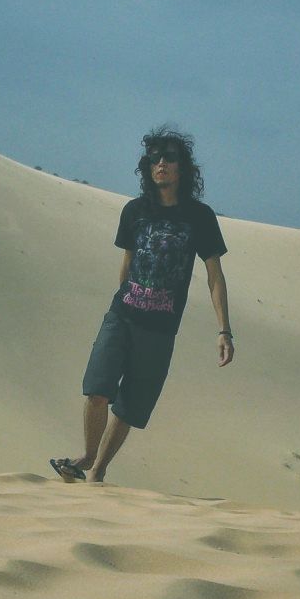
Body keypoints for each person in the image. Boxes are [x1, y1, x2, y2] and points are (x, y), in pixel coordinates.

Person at [51, 126, 234, 483]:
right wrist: (122, 303)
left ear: (183, 167)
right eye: (154, 158)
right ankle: (88, 455)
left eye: (169, 157)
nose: (161, 163)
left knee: (130, 406)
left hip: (161, 329)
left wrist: (224, 329)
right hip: (122, 315)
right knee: (98, 388)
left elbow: (215, 274)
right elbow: (127, 263)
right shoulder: (134, 211)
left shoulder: (200, 217)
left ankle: (97, 472)